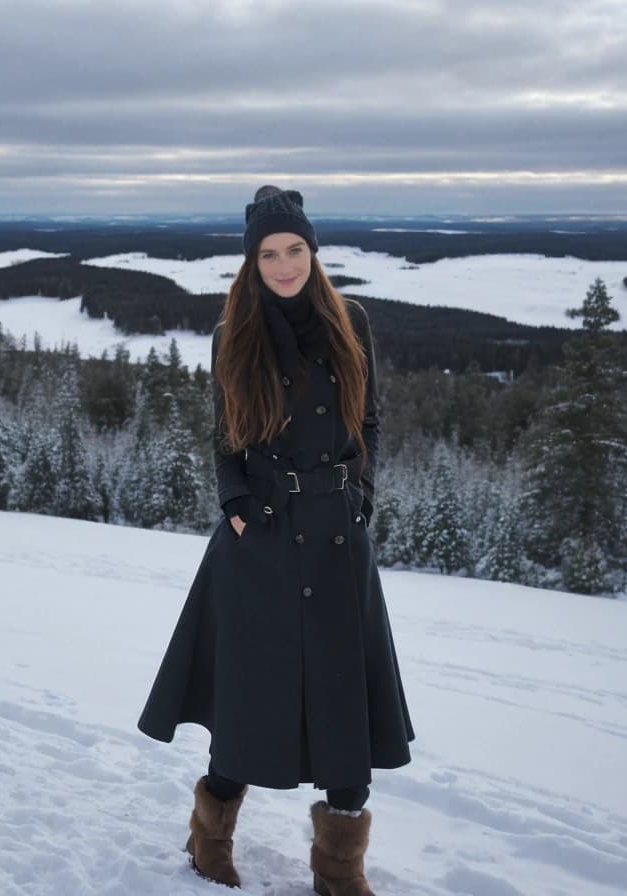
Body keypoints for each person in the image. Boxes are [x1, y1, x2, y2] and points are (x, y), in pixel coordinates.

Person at [137, 186, 414, 894]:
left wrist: (363, 494)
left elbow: (370, 421)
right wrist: (233, 500)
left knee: (345, 710)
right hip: (257, 540)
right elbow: (225, 433)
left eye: (295, 250)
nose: (285, 264)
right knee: (248, 706)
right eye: (269, 253)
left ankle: (339, 869)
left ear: (312, 252)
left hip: (336, 538)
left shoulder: (352, 321)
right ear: (251, 262)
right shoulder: (235, 331)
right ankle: (209, 839)